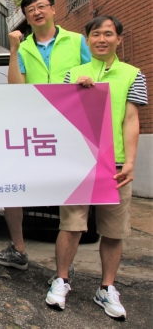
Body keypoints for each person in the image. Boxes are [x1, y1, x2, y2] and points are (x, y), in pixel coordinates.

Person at [45, 16, 147, 320]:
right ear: (87, 40)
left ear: (118, 39)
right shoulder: (73, 74)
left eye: (108, 34)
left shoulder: (132, 74)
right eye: (95, 35)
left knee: (114, 230)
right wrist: (78, 91)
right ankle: (61, 279)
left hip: (114, 164)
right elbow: (61, 114)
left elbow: (131, 120)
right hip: (79, 161)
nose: (101, 39)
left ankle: (106, 288)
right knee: (71, 224)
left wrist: (130, 162)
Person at [0, 0, 91, 271]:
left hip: (72, 128)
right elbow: (15, 87)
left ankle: (63, 268)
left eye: (42, 6)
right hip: (34, 129)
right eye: (30, 9)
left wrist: (87, 77)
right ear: (26, 16)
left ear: (54, 9)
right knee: (13, 187)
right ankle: (18, 249)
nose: (37, 11)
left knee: (69, 194)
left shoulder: (76, 41)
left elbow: (93, 72)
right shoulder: (23, 48)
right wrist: (12, 49)